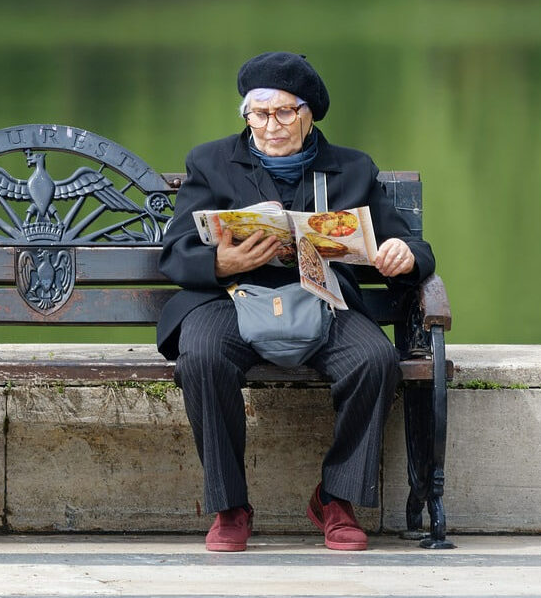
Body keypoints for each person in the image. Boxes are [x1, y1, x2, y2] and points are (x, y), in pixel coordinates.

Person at [156, 52, 435, 552]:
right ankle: (230, 507)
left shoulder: (351, 169)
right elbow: (175, 253)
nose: (271, 126)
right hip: (230, 299)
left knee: (373, 359)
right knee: (199, 356)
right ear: (246, 116)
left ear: (309, 115)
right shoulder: (211, 162)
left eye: (285, 112)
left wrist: (402, 255)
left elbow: (412, 249)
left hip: (322, 299)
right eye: (259, 114)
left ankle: (336, 499)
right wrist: (222, 263)